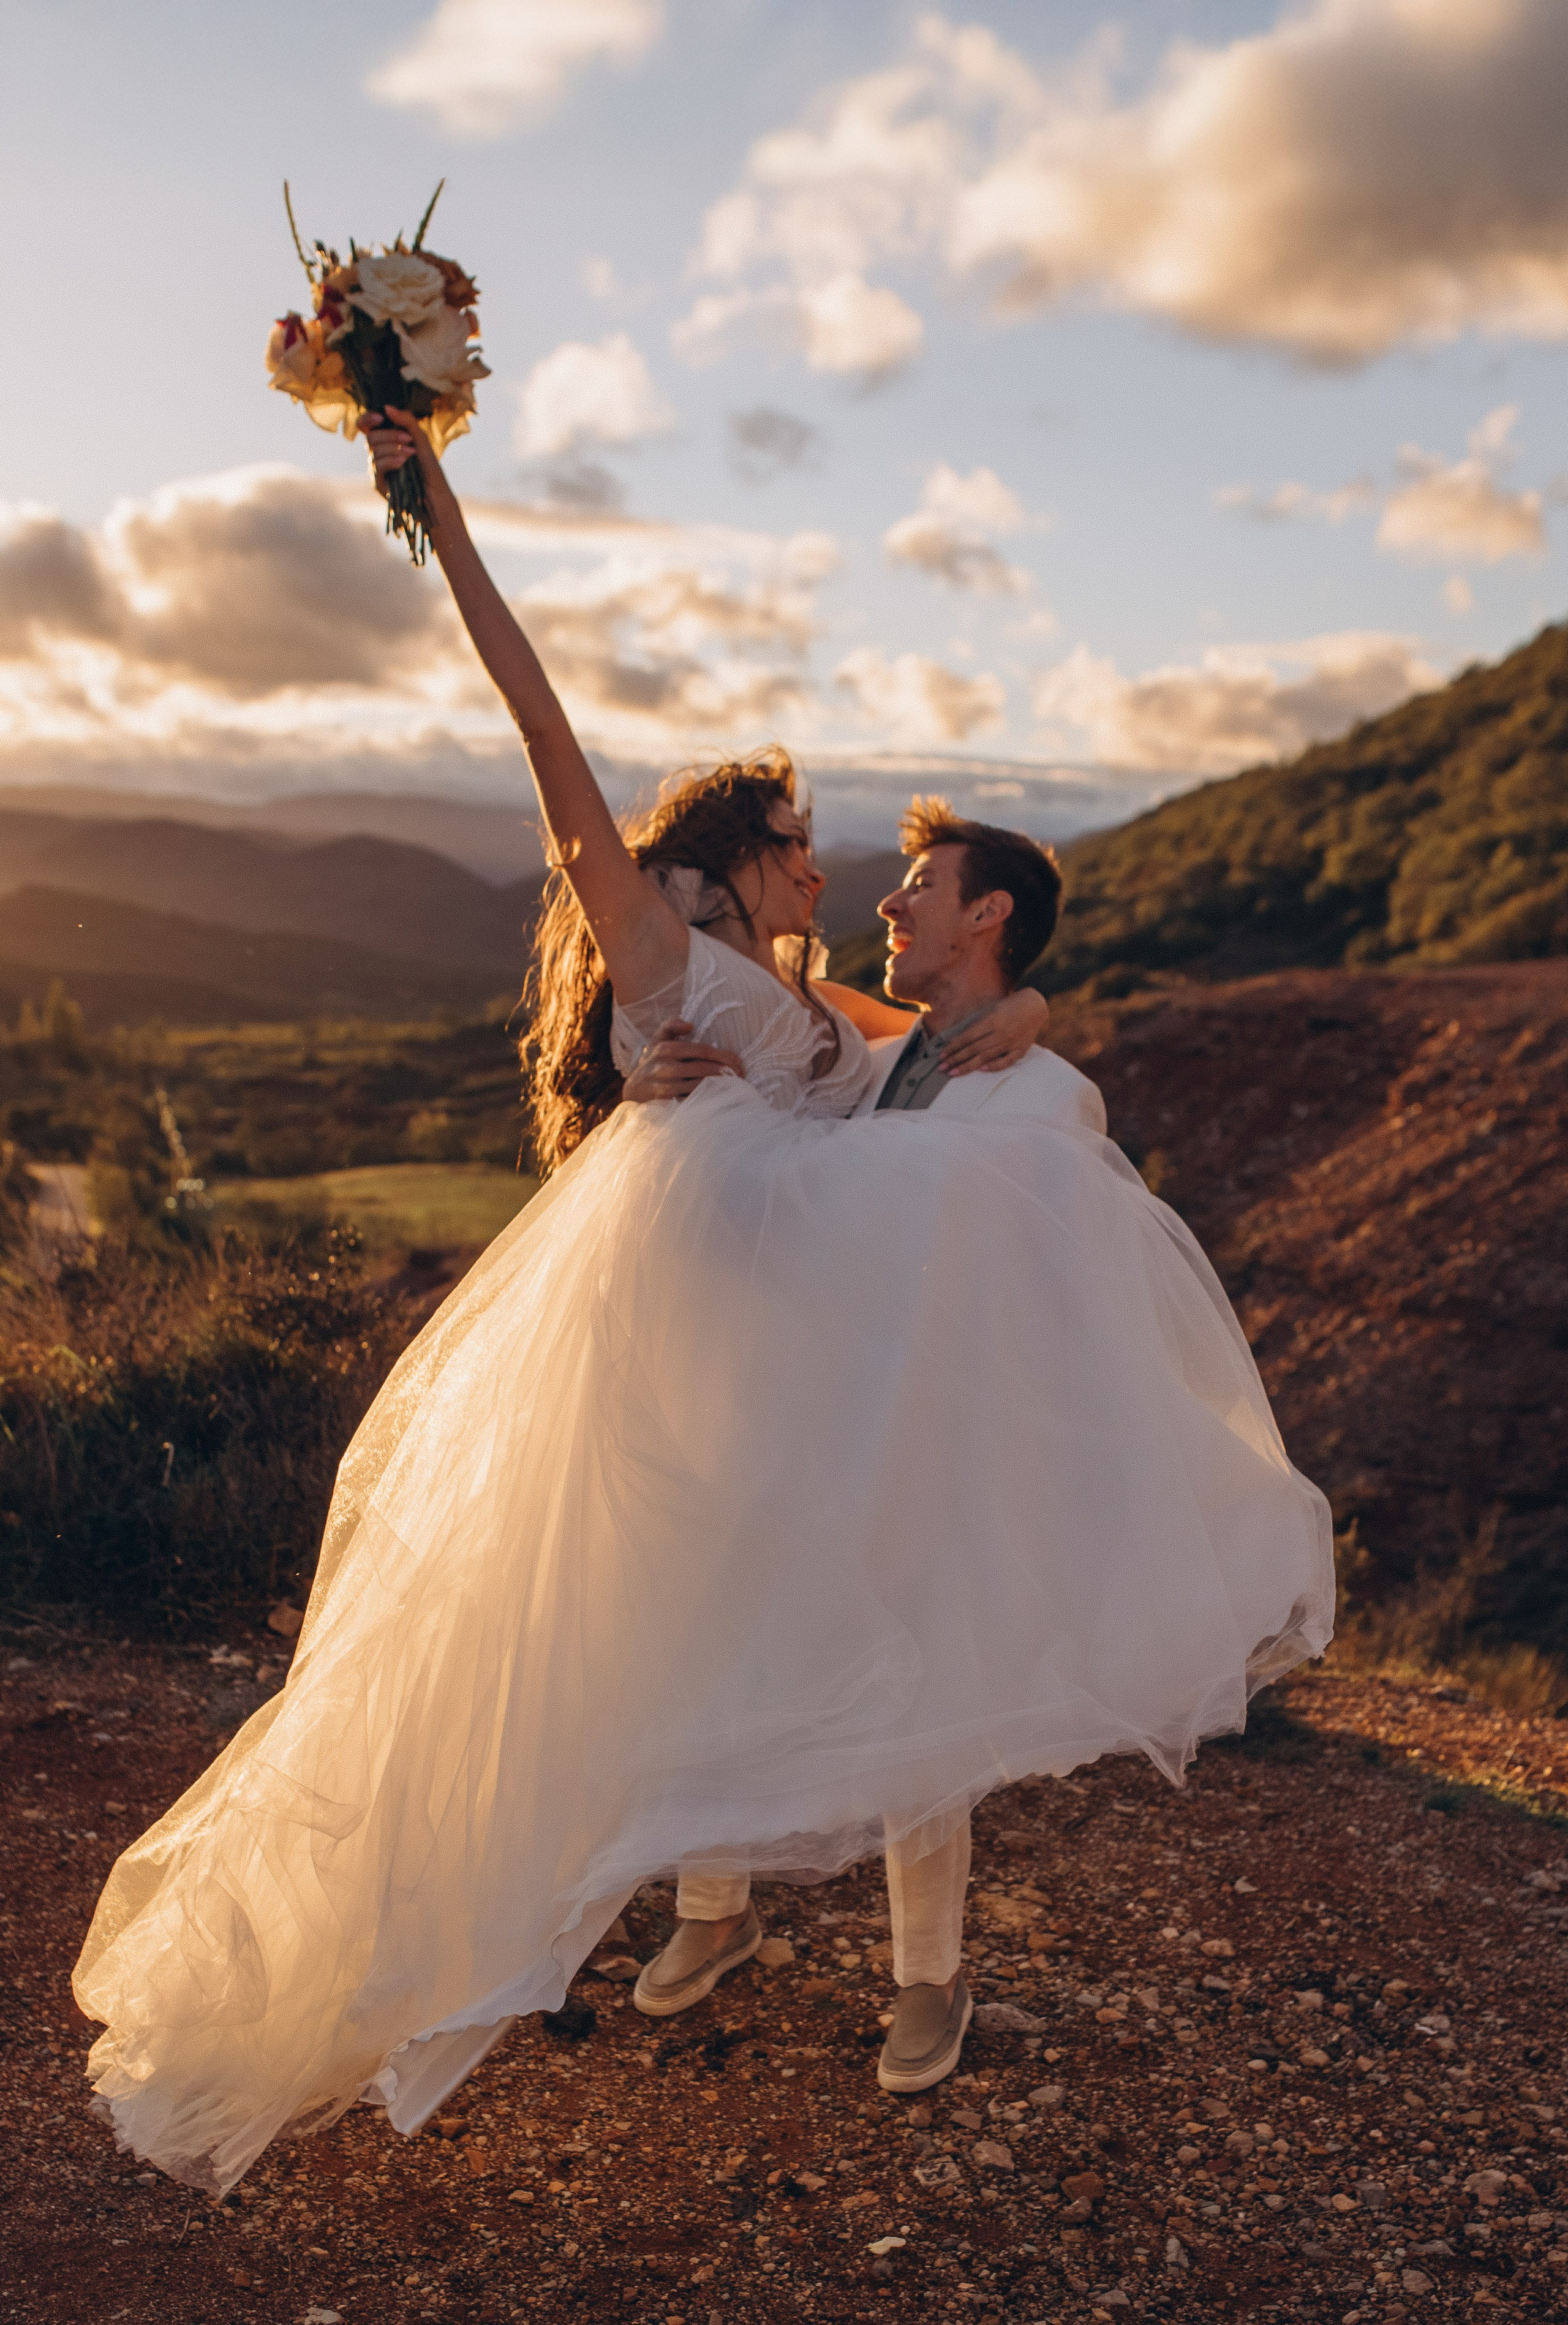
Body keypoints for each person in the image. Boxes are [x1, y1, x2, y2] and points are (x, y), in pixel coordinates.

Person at [73, 410, 1335, 2196]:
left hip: (814, 1350)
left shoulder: (803, 985)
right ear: (731, 858)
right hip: (700, 1339)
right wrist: (434, 501)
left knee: (852, 1614)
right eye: (800, 845)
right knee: (671, 1630)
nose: (827, 872)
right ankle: (688, 1907)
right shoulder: (663, 954)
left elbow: (949, 1040)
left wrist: (1030, 1011)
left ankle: (826, 1939)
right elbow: (542, 733)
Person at [620, 798, 1109, 2082]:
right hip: (816, 1414)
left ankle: (929, 1981)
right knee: (727, 1639)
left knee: (918, 1705)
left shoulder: (1050, 1097)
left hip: (944, 1446)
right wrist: (651, 1087)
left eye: (920, 886)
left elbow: (1054, 1297)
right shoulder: (883, 1054)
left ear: (987, 913)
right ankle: (714, 1907)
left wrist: (1036, 1016)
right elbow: (769, 1056)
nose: (888, 902)